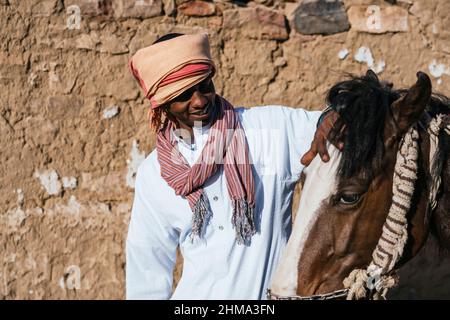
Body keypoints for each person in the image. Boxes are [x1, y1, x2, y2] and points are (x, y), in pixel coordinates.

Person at [125, 33, 337, 299]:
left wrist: (333, 116)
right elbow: (148, 270)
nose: (200, 100)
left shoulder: (268, 130)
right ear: (162, 104)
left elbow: (334, 122)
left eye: (205, 86)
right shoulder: (153, 172)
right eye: (184, 94)